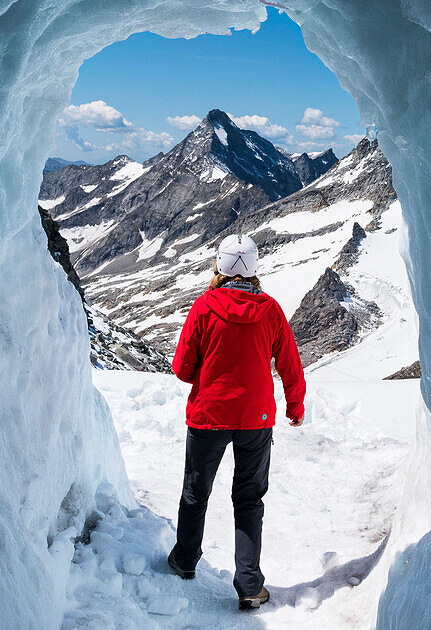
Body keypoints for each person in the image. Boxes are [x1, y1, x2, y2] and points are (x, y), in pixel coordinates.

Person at [167, 233, 306, 610]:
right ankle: (249, 585)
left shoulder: (204, 306)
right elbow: (291, 366)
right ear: (255, 268)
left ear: (219, 265)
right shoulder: (272, 310)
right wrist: (295, 407)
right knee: (248, 500)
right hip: (256, 419)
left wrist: (209, 375)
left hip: (208, 415)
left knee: (196, 492)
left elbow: (182, 368)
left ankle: (184, 560)